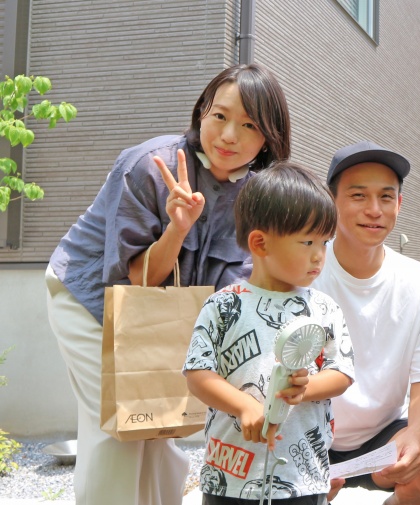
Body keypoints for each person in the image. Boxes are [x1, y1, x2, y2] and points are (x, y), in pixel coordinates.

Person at [44, 63, 291, 505]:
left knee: (160, 427)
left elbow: (236, 292)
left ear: (269, 137)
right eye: (220, 116)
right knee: (120, 430)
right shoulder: (150, 164)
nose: (229, 135)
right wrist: (177, 229)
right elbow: (136, 277)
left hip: (164, 317)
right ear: (202, 112)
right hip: (91, 302)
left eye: (249, 125)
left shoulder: (256, 196)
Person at [184, 162, 354, 504]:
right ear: (260, 243)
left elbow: (342, 373)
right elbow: (198, 375)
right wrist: (244, 405)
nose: (319, 255)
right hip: (230, 476)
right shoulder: (223, 305)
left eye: (325, 242)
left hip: (302, 477)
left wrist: (305, 388)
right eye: (308, 241)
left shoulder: (325, 308)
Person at [313, 141, 420, 504]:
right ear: (331, 201)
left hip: (382, 436)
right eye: (358, 195)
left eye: (386, 197)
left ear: (399, 203)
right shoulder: (303, 273)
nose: (374, 210)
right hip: (305, 433)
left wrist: (415, 435)